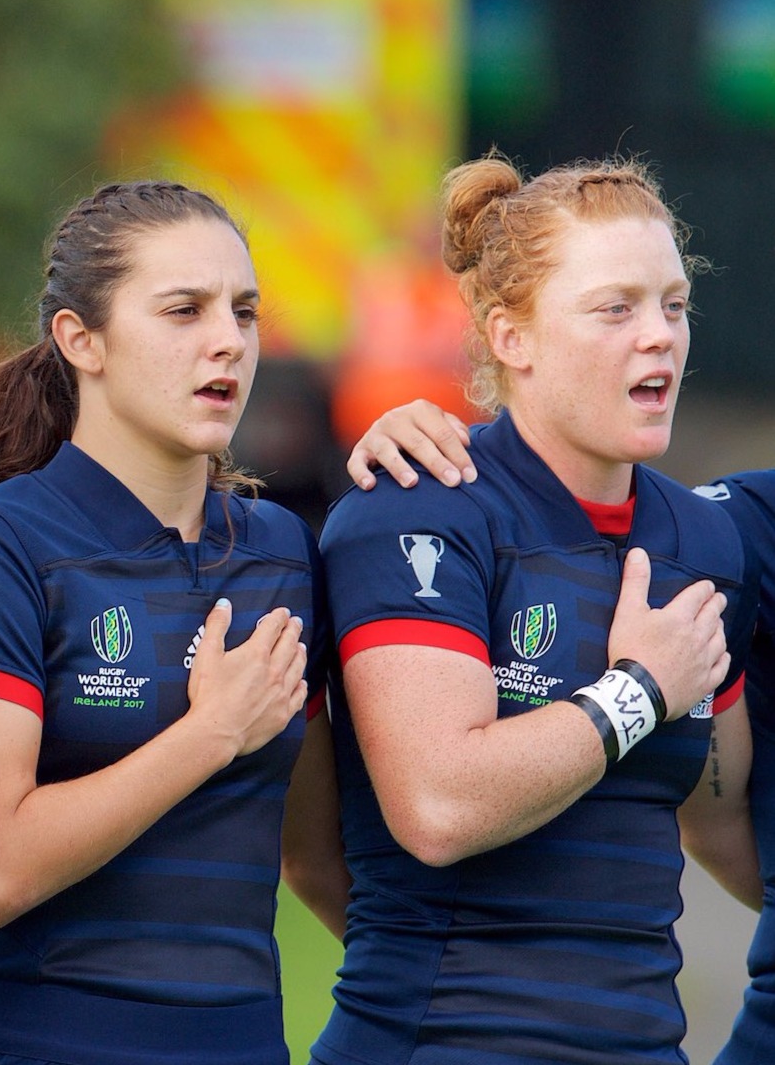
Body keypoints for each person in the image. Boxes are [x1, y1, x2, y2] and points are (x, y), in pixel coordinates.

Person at [312, 155, 752, 1065]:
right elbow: (436, 806)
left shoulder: (704, 543)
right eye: (615, 308)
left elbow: (721, 823)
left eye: (673, 305)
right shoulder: (417, 503)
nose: (660, 336)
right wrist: (638, 691)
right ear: (511, 337)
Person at [0, 181, 347, 1065]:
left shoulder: (282, 554)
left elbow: (315, 859)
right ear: (81, 340)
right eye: (184, 310)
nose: (228, 339)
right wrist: (210, 732)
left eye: (245, 312)